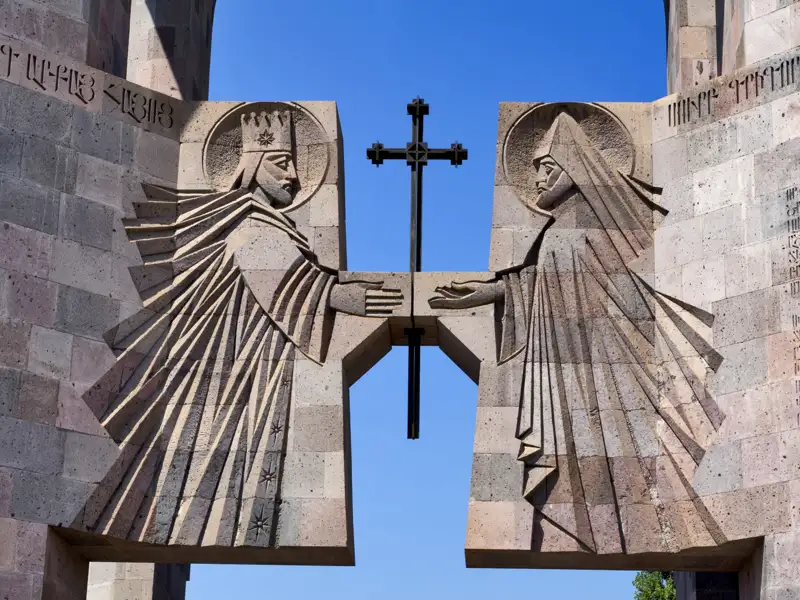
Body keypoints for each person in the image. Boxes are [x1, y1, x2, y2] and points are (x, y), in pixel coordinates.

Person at [76, 109, 402, 548]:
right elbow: (285, 280)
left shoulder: (268, 226)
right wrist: (339, 295)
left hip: (254, 373)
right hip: (226, 382)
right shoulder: (249, 224)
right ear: (252, 165)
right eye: (282, 164)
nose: (296, 180)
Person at [430, 110, 724, 553]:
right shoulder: (557, 232)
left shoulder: (596, 227)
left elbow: (620, 292)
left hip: (614, 374)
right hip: (576, 379)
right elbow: (545, 285)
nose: (538, 182)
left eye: (547, 170)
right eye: (535, 173)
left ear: (574, 166)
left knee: (641, 482)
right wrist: (490, 292)